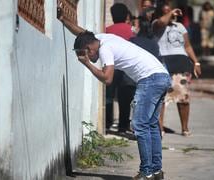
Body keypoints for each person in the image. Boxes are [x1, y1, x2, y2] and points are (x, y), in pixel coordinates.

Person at [58, 8, 170, 180]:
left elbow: (107, 79)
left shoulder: (105, 49)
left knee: (140, 125)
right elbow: (82, 33)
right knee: (151, 125)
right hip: (161, 75)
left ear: (89, 48)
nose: (87, 56)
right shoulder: (100, 38)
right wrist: (64, 20)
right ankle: (156, 171)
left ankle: (146, 172)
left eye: (85, 53)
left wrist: (87, 64)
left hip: (150, 79)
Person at [152, 3, 201, 137]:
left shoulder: (180, 26)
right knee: (161, 100)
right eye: (166, 12)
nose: (172, 15)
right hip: (163, 65)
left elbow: (188, 46)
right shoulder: (156, 24)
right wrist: (171, 12)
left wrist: (196, 62)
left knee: (183, 98)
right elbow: (162, 22)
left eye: (172, 12)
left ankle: (184, 128)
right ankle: (159, 128)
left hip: (181, 65)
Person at [106, 3, 135, 133]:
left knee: (109, 96)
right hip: (126, 68)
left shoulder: (107, 30)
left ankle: (107, 123)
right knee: (125, 98)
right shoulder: (131, 31)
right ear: (126, 16)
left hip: (110, 67)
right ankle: (123, 126)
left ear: (112, 16)